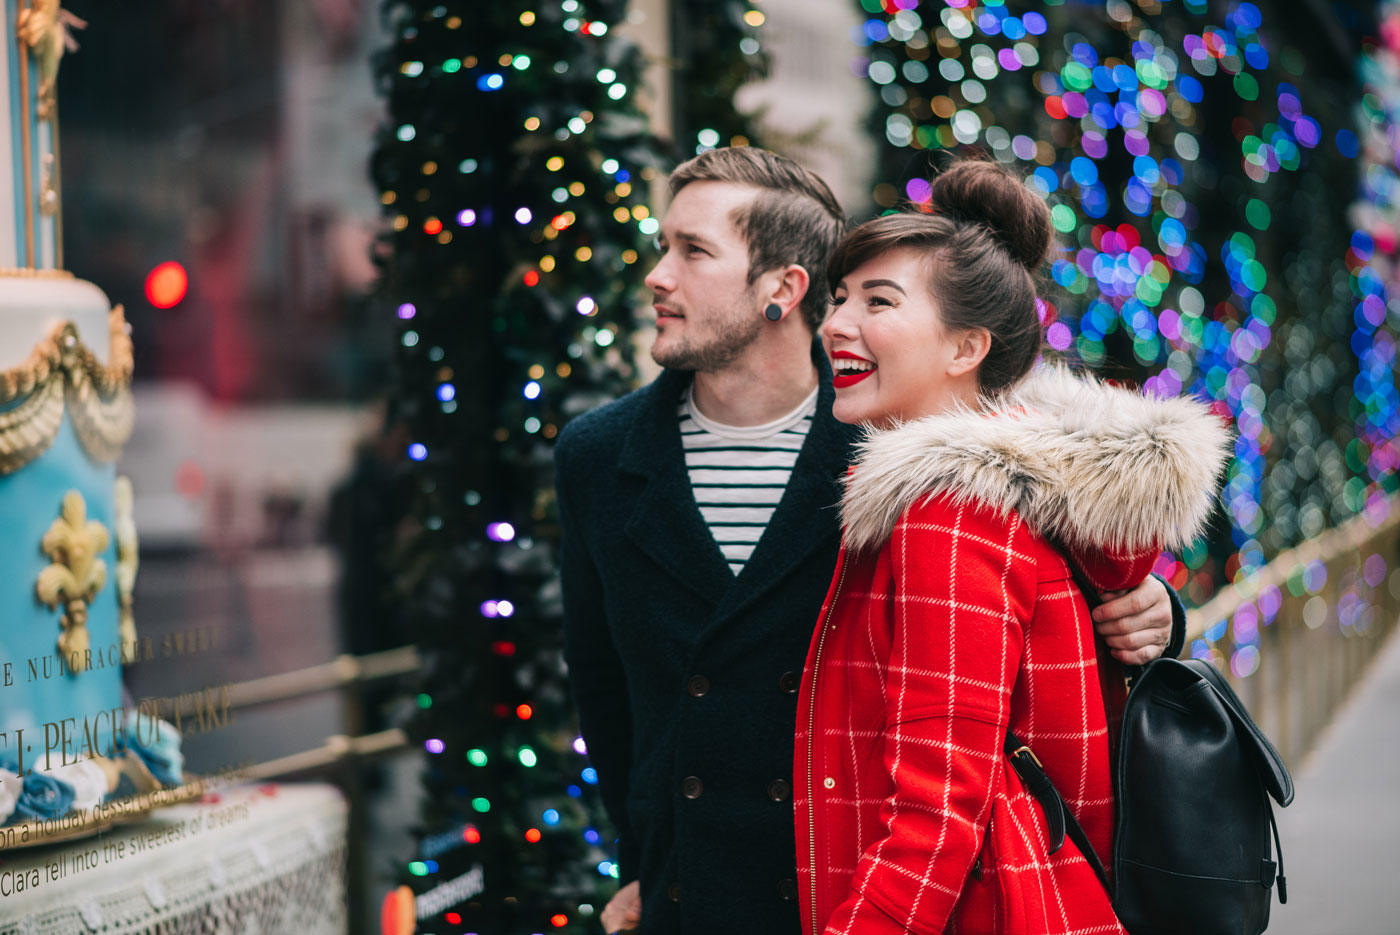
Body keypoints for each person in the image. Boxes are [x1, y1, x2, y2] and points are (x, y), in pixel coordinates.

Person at [554, 147, 1184, 935]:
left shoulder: (888, 447)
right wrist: (647, 861)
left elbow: (953, 767)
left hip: (854, 884)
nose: (657, 274)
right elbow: (605, 693)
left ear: (782, 289)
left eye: (693, 250)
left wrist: (1149, 607)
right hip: (700, 884)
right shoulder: (599, 456)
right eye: (845, 296)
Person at [794, 159, 1230, 934]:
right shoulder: (1013, 486)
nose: (834, 323)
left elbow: (938, 808)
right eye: (838, 299)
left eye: (878, 301)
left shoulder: (945, 505)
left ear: (966, 347)